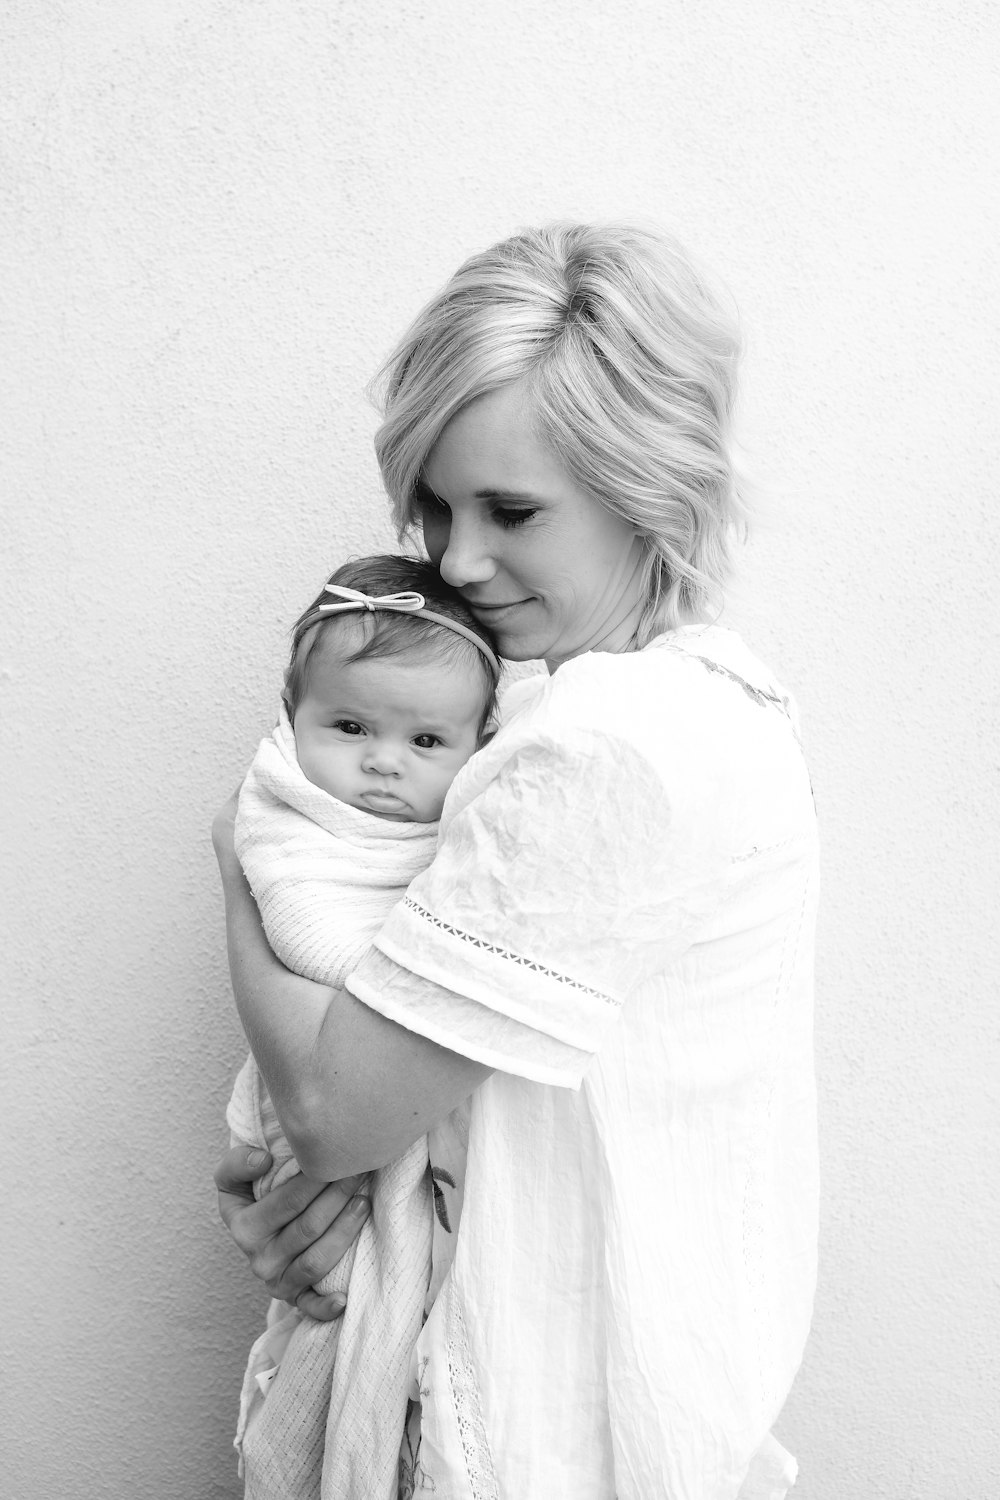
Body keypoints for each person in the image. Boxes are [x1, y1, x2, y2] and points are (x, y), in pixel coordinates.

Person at [213, 222, 820, 1500]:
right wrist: (307, 1220)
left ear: (648, 483)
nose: (456, 560)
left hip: (547, 1449)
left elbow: (335, 1110)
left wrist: (235, 857)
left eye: (511, 510)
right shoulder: (670, 708)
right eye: (434, 505)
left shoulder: (618, 743)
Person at [223, 554, 499, 1491]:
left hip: (394, 1102)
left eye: (429, 741)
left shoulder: (481, 824)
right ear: (291, 721)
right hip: (328, 1079)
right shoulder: (284, 815)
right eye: (349, 726)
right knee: (339, 1296)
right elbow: (305, 929)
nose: (384, 761)